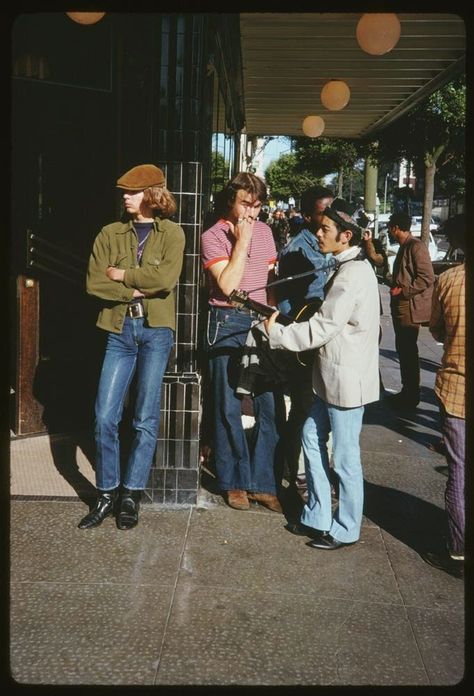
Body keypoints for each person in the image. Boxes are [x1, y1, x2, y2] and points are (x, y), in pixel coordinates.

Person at [264, 201, 380, 549]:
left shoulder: (352, 275)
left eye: (325, 229)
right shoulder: (345, 267)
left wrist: (277, 335)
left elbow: (323, 327)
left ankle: (346, 529)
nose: (318, 233)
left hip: (346, 382)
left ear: (346, 236)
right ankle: (317, 515)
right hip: (331, 378)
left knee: (344, 458)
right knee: (311, 439)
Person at [78, 164, 185, 530]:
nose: (125, 195)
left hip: (156, 331)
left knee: (144, 417)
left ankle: (131, 495)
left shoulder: (172, 234)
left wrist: (122, 275)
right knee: (105, 416)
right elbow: (94, 283)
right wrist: (137, 288)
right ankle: (106, 492)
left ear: (152, 195)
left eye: (133, 191)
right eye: (124, 191)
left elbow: (165, 279)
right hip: (118, 330)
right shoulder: (109, 233)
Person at [200, 172, 283, 513]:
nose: (253, 213)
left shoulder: (266, 231)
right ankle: (233, 481)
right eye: (245, 204)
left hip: (262, 319)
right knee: (227, 405)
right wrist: (242, 242)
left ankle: (263, 483)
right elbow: (228, 286)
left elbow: (270, 281)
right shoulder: (213, 235)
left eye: (258, 205)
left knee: (269, 404)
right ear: (230, 202)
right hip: (227, 319)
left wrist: (274, 315)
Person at [275, 186, 336, 492]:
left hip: (330, 339)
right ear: (310, 215)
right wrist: (302, 325)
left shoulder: (335, 245)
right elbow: (284, 300)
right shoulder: (297, 249)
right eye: (324, 211)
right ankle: (296, 468)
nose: (331, 216)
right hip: (307, 340)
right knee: (304, 405)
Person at [426, 214, 465, 577]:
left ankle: (458, 549)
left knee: (459, 471)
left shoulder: (449, 280)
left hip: (456, 390)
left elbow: (435, 327)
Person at [386, 212, 435, 409]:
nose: (389, 231)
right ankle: (408, 391)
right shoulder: (405, 246)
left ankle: (411, 395)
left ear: (395, 228)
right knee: (404, 350)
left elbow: (427, 277)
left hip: (409, 307)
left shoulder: (415, 246)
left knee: (407, 351)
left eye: (390, 227)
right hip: (402, 305)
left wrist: (404, 291)